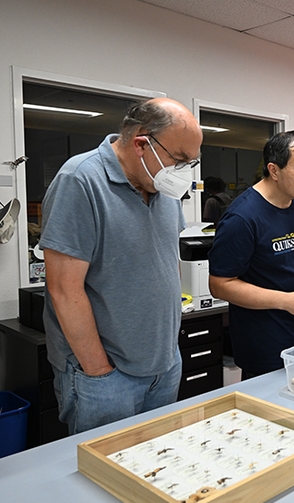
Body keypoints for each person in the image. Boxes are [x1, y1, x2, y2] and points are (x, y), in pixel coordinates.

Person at [40, 98, 203, 434]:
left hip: (164, 364)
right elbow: (63, 289)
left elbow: (164, 260)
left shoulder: (162, 188)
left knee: (157, 462)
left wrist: (169, 349)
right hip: (107, 377)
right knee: (102, 478)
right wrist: (99, 371)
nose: (184, 171)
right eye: (180, 160)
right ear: (142, 143)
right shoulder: (80, 180)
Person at [208, 131, 294, 380]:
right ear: (274, 170)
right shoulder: (242, 217)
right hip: (264, 344)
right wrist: (285, 301)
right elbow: (220, 285)